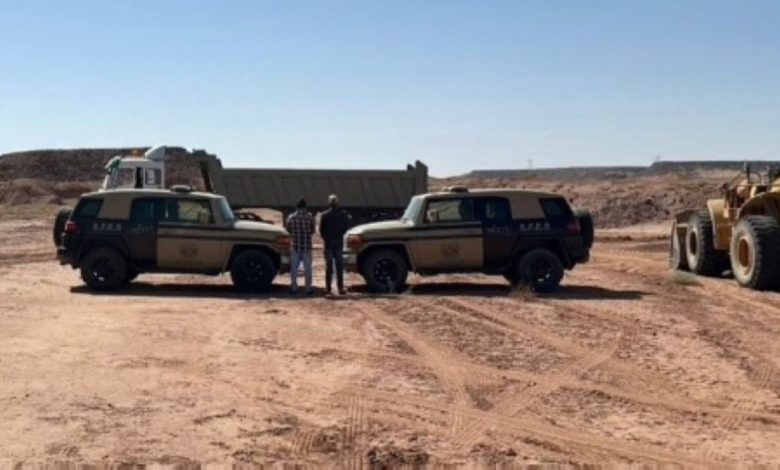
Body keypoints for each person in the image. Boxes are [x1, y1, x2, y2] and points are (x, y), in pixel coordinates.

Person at [319, 194, 351, 295]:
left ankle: (328, 289)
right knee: (339, 267)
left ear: (329, 203)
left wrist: (326, 238)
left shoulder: (324, 215)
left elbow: (321, 230)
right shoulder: (343, 214)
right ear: (337, 203)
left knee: (329, 268)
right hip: (338, 244)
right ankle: (340, 289)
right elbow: (346, 227)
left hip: (328, 244)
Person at [286, 198, 315, 294]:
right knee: (308, 269)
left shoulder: (291, 217)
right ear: (305, 207)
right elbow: (312, 231)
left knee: (294, 269)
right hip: (307, 246)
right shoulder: (309, 217)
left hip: (295, 246)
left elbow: (288, 230)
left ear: (296, 207)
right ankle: (308, 288)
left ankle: (294, 288)